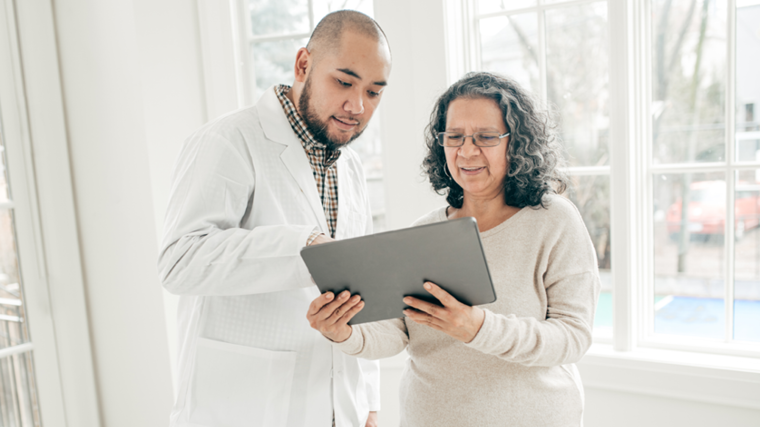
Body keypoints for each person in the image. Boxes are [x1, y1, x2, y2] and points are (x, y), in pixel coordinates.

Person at [307, 72, 601, 427]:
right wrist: (344, 332)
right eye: (455, 137)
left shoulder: (553, 220)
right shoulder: (424, 233)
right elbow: (398, 330)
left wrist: (477, 328)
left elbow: (572, 337)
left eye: (486, 137)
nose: (467, 151)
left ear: (517, 143)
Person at [158, 10, 391, 427]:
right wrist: (305, 248)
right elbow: (180, 263)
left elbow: (360, 293)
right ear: (304, 64)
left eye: (374, 92)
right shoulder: (229, 140)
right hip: (246, 403)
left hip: (340, 406)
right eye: (344, 82)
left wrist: (367, 399)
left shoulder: (351, 166)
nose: (357, 105)